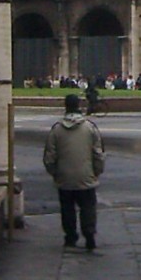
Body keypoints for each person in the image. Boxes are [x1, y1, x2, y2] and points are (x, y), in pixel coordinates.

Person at [42, 93, 105, 251]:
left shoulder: (56, 129)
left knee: (67, 208)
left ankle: (70, 237)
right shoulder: (90, 128)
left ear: (65, 106)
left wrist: (55, 173)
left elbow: (49, 156)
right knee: (88, 207)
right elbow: (98, 153)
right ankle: (89, 234)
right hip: (86, 175)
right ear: (79, 106)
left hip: (64, 177)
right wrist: (97, 171)